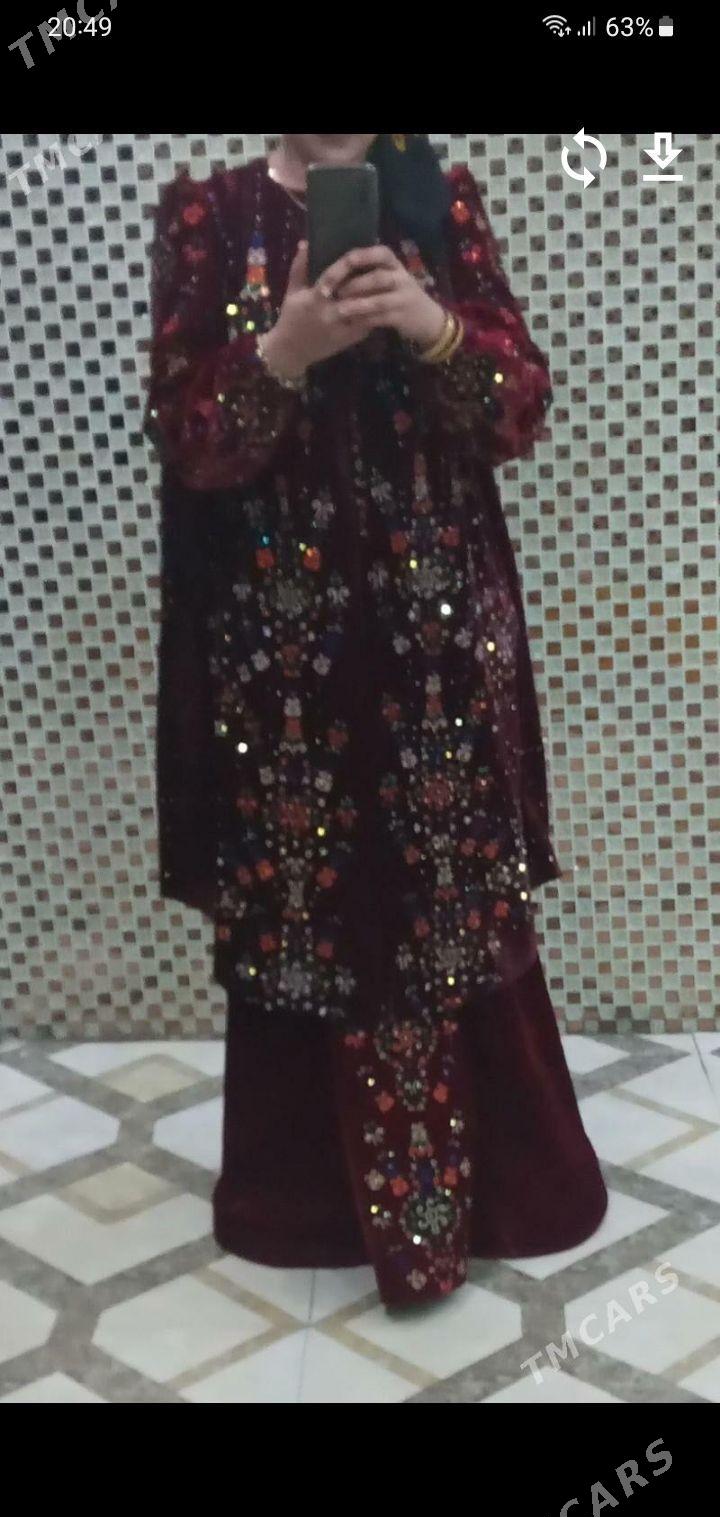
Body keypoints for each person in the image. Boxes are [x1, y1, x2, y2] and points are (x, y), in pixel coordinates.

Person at [144, 133, 608, 1310]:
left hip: (437, 657)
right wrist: (285, 351)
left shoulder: (433, 198)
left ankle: (497, 1201)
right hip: (278, 672)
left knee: (453, 903)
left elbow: (518, 410)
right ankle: (303, 1208)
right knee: (302, 904)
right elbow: (185, 437)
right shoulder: (210, 216)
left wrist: (431, 324)